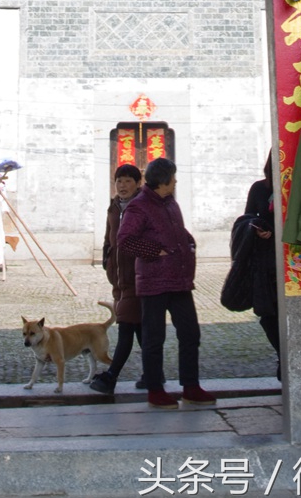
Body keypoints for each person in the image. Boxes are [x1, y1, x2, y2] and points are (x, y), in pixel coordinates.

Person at [117, 156, 216, 409]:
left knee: (190, 334)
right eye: (173, 178)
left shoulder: (171, 203)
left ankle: (191, 387)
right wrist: (154, 251)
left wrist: (189, 243)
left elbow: (178, 231)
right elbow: (125, 240)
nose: (175, 181)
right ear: (163, 180)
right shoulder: (138, 206)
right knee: (153, 338)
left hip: (180, 280)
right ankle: (155, 390)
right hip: (154, 282)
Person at [89, 163, 150, 394]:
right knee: (138, 328)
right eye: (119, 181)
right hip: (118, 278)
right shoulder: (114, 207)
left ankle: (111, 377)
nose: (122, 185)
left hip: (137, 276)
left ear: (138, 183)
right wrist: (107, 261)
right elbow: (109, 238)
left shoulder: (143, 206)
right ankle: (153, 372)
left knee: (125, 326)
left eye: (127, 181)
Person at [245, 152, 281, 380]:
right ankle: (282, 353)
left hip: (296, 261)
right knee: (268, 314)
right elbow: (246, 219)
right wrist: (257, 228)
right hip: (266, 264)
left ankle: (287, 359)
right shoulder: (259, 189)